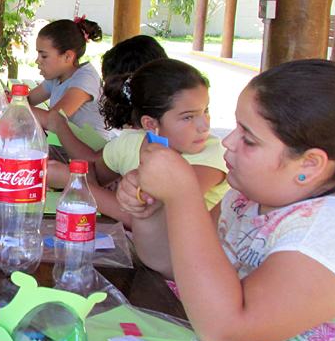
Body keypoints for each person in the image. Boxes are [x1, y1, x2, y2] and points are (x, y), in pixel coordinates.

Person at [121, 59, 335, 341]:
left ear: (310, 163)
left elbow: (226, 328)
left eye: (249, 139)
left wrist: (184, 195)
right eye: (236, 127)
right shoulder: (245, 199)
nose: (228, 142)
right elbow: (172, 262)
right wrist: (149, 210)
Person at [76, 59, 228, 227]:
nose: (204, 126)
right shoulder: (129, 143)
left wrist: (74, 183)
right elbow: (93, 174)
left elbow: (151, 215)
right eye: (188, 117)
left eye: (206, 110)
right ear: (150, 124)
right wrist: (79, 180)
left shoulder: (213, 154)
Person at [46, 34, 169, 165]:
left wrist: (60, 126)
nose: (105, 93)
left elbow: (93, 163)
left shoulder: (138, 139)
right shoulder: (140, 132)